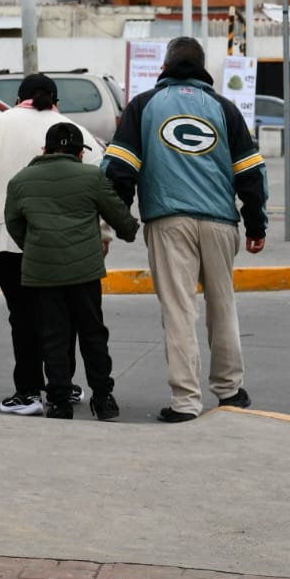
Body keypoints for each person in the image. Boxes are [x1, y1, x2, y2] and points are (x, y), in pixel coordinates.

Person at [102, 36, 269, 423]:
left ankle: (185, 402)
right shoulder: (225, 108)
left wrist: (122, 221)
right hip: (220, 222)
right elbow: (250, 172)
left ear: (165, 64)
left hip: (168, 221)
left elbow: (120, 169)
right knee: (222, 304)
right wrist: (256, 223)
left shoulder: (143, 106)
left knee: (179, 311)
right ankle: (230, 390)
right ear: (202, 66)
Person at [0, 74, 106, 416]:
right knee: (63, 315)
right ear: (56, 100)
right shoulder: (72, 128)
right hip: (65, 240)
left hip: (5, 234)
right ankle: (63, 387)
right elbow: (100, 180)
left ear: (18, 98)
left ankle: (27, 392)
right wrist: (103, 234)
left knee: (22, 314)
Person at [5, 122, 139, 420]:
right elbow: (117, 214)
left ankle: (60, 400)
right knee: (93, 333)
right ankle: (103, 398)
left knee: (53, 335)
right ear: (79, 153)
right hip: (85, 271)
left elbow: (14, 225)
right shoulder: (92, 176)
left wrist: (36, 247)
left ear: (45, 150)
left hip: (43, 272)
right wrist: (131, 231)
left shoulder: (21, 180)